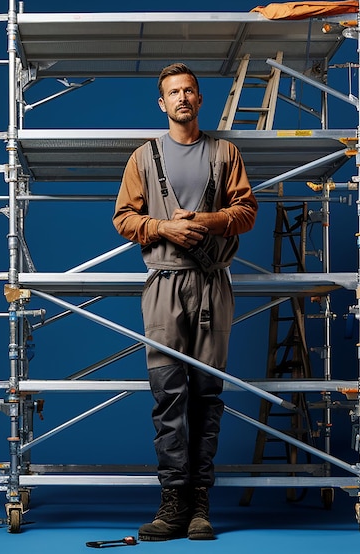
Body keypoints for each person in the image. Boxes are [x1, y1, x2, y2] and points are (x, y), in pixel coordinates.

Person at [113, 63, 258, 541]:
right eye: (173, 92)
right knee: (167, 394)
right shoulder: (143, 157)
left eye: (189, 91)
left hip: (213, 284)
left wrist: (210, 221)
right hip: (164, 286)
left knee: (206, 394)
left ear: (200, 99)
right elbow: (124, 219)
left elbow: (246, 212)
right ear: (162, 103)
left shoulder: (225, 152)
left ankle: (200, 506)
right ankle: (172, 503)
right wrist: (165, 228)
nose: (182, 98)